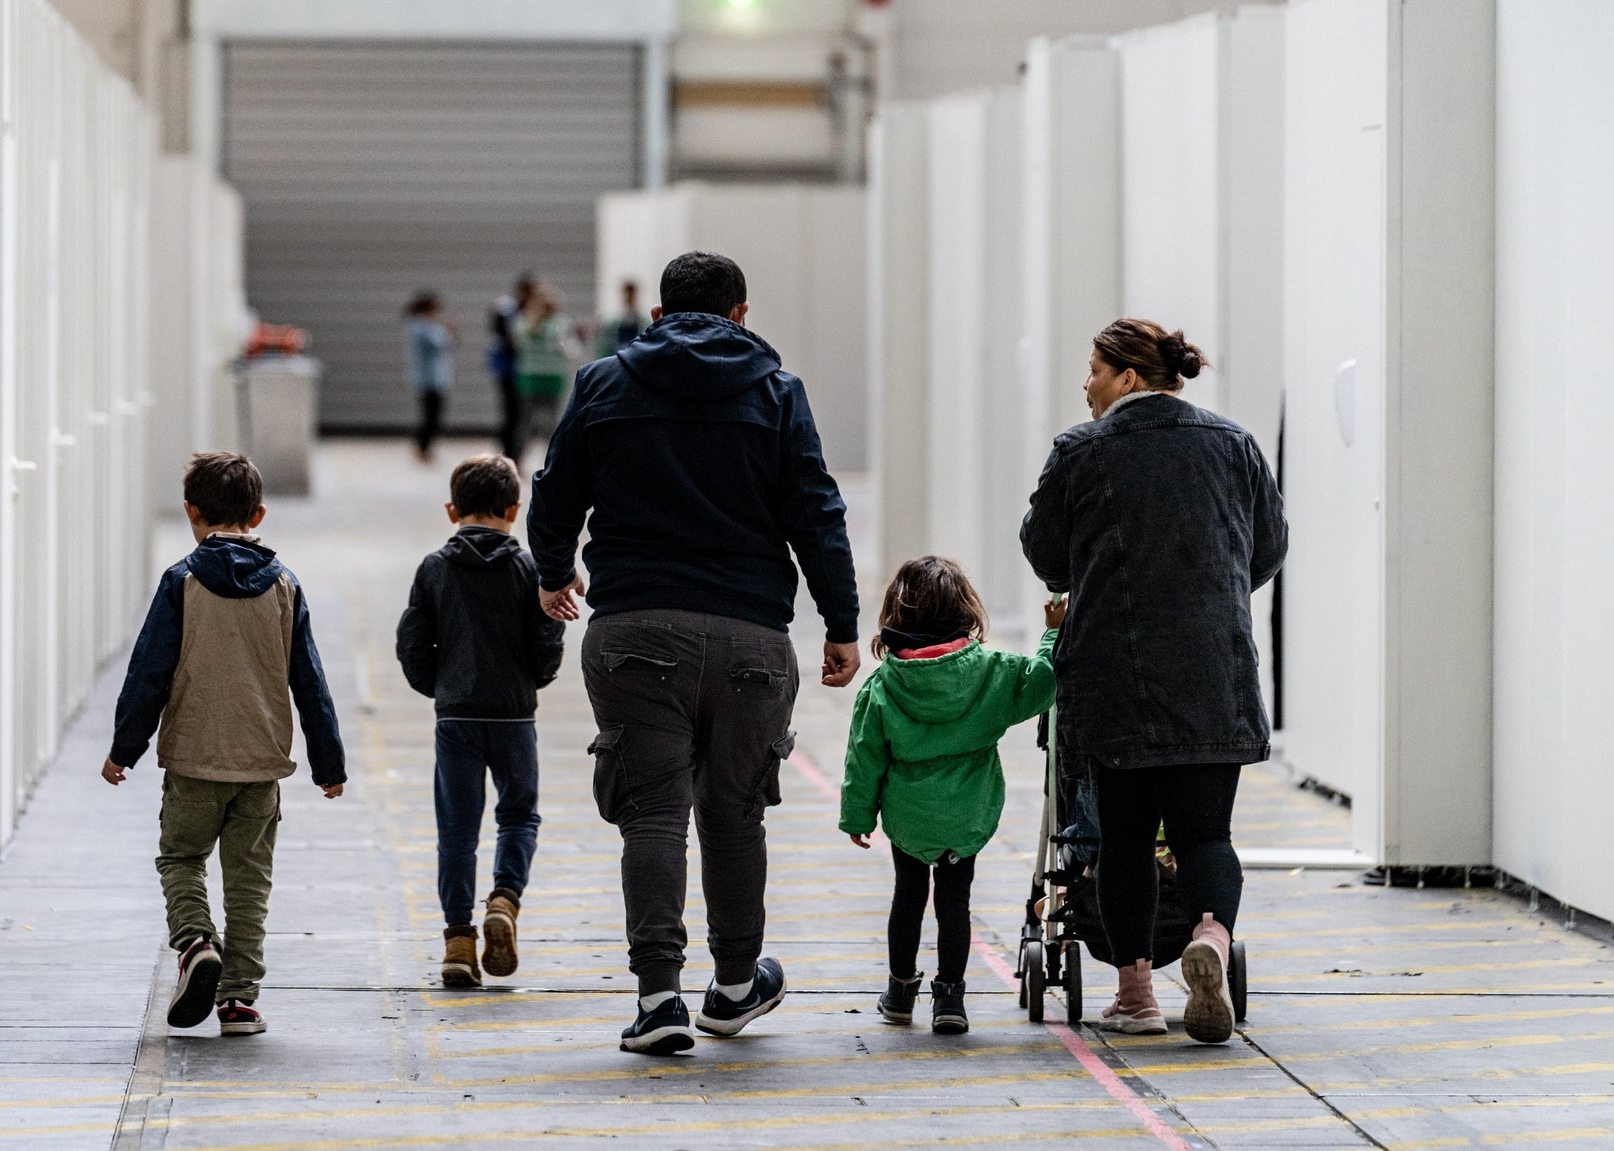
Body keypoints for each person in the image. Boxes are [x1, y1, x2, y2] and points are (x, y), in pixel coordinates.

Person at [529, 249, 862, 1055]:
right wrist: (842, 623)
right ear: (741, 315)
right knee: (735, 810)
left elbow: (554, 489)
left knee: (652, 813)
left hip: (636, 628)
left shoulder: (605, 383)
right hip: (752, 635)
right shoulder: (777, 392)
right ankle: (738, 987)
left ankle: (657, 998)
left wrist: (551, 571)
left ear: (655, 317)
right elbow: (817, 511)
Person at [1019, 318, 1287, 1044]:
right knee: (1206, 834)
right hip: (1213, 672)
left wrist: (1087, 572)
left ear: (1128, 378)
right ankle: (1210, 932)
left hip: (1114, 679)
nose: (1085, 383)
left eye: (1094, 369)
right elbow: (1268, 548)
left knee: (1127, 839)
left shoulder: (1079, 450)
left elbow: (1043, 549)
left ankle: (1136, 995)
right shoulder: (1233, 444)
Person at [102, 451, 349, 1038]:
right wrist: (328, 764)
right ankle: (239, 1001)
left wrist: (124, 750)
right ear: (259, 512)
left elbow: (148, 674)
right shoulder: (285, 586)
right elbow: (309, 680)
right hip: (261, 763)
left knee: (181, 858)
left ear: (191, 512)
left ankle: (193, 943)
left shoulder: (181, 583)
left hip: (193, 759)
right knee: (249, 881)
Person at [838, 558, 1061, 1035]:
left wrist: (858, 814)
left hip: (908, 812)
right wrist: (1052, 634)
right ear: (965, 610)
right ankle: (950, 1000)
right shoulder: (994, 671)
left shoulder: (882, 686)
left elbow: (864, 756)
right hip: (967, 811)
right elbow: (1042, 684)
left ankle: (900, 993)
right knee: (954, 904)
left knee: (908, 896)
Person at [395, 454, 566, 988]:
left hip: (457, 718)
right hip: (515, 715)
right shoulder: (530, 569)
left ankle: (457, 944)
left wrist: (440, 688)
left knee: (457, 831)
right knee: (518, 817)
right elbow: (547, 638)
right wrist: (533, 678)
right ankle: (504, 900)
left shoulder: (433, 569)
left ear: (452, 510)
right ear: (514, 509)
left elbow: (412, 644)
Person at [511, 284, 580, 464]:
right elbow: (571, 351)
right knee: (553, 421)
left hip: (529, 376)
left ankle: (518, 461)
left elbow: (517, 344)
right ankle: (554, 461)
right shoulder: (560, 323)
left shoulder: (523, 321)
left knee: (524, 421)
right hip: (553, 375)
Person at [488, 274, 536, 460]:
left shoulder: (515, 310)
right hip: (509, 369)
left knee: (515, 414)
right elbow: (509, 340)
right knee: (512, 413)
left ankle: (510, 452)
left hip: (515, 369)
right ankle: (509, 453)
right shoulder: (508, 309)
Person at [404, 291, 455, 463]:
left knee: (433, 414)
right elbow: (440, 343)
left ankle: (425, 447)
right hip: (429, 378)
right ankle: (422, 447)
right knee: (430, 415)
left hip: (435, 377)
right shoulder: (422, 325)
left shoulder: (427, 325)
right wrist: (447, 330)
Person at [593, 279, 650, 358]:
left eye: (632, 295)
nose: (630, 298)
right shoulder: (613, 323)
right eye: (628, 294)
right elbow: (605, 348)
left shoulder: (644, 322)